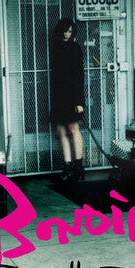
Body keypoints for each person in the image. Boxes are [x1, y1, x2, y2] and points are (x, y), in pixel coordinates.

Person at [50, 18, 85, 181]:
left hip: (72, 94)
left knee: (73, 129)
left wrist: (79, 101)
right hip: (59, 95)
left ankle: (78, 167)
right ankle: (68, 166)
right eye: (65, 30)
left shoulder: (75, 48)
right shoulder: (56, 47)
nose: (67, 34)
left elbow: (79, 75)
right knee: (61, 131)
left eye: (70, 31)